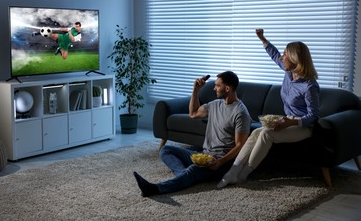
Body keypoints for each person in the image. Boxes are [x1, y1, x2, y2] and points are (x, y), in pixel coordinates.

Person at [217, 29, 320, 189]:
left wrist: (290, 123)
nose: (282, 57)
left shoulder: (309, 86)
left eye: (285, 55)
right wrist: (262, 38)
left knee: (265, 133)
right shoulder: (289, 73)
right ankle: (232, 172)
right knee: (256, 132)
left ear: (294, 59)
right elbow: (274, 54)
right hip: (288, 120)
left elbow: (313, 115)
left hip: (304, 127)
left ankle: (243, 174)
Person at [133, 71, 251, 197]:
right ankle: (185, 176)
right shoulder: (215, 105)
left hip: (221, 163)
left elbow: (240, 146)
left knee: (193, 170)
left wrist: (220, 162)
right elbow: (193, 113)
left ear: (227, 88)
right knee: (166, 150)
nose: (214, 88)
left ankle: (155, 189)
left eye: (217, 85)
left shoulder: (241, 113)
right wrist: (196, 90)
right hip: (205, 155)